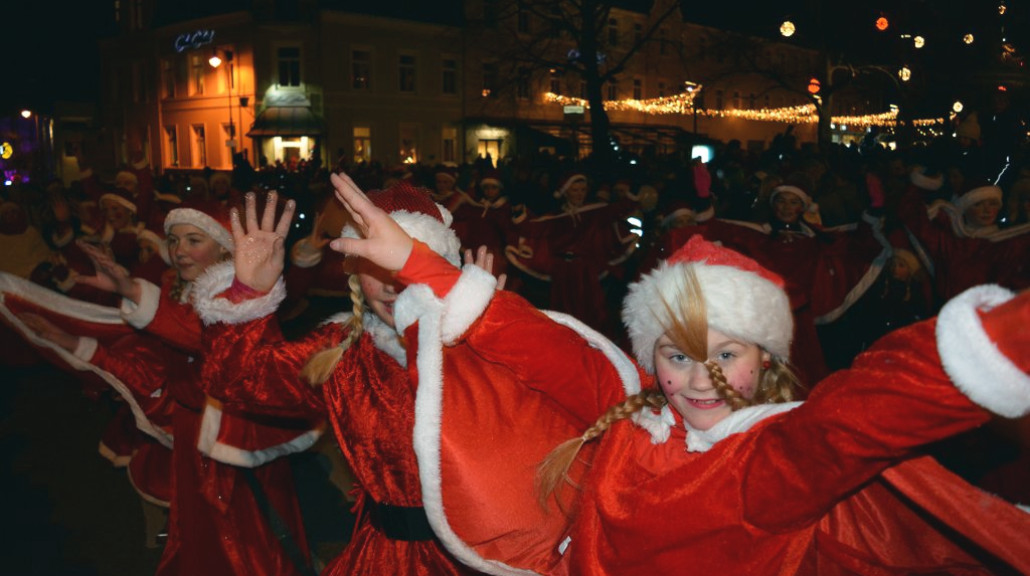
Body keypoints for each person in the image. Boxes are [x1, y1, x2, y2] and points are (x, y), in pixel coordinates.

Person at [328, 176, 1030, 576]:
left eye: (726, 355)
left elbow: (867, 413)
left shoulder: (767, 462)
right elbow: (540, 347)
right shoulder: (633, 418)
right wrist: (423, 268)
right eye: (677, 354)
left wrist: (1007, 339)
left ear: (768, 361)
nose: (698, 380)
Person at [3, 198, 321, 576]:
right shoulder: (173, 290)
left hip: (234, 441)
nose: (179, 250)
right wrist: (70, 342)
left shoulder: (244, 302)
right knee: (200, 540)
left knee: (250, 546)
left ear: (223, 247)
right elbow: (149, 370)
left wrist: (134, 293)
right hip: (190, 438)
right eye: (174, 239)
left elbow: (205, 340)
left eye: (193, 240)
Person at [192, 179, 482, 575]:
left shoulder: (484, 345)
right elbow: (236, 380)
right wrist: (247, 293)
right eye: (373, 268)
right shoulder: (344, 351)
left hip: (477, 560)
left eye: (406, 262)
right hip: (382, 558)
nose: (391, 283)